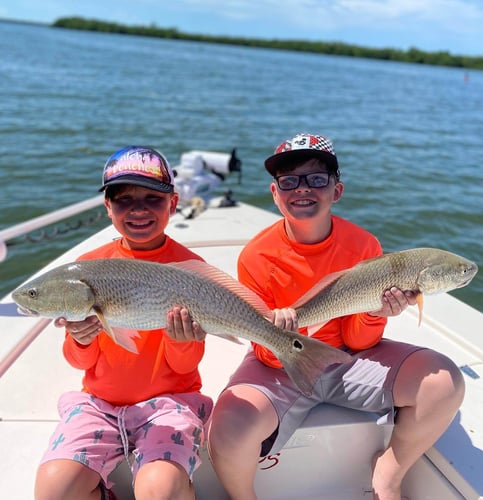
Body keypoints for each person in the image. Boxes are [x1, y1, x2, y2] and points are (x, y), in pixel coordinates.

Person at [206, 133, 465, 500]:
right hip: (280, 365)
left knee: (445, 383)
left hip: (347, 357)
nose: (302, 189)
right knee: (229, 426)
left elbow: (360, 341)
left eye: (316, 178)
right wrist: (278, 334)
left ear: (337, 190)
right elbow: (266, 354)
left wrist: (377, 313)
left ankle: (389, 474)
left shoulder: (364, 246)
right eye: (289, 180)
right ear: (275, 192)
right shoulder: (256, 257)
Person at [34, 146, 212, 500]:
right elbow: (80, 362)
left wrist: (181, 339)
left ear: (173, 204)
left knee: (159, 491)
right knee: (53, 487)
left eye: (152, 199)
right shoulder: (89, 268)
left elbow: (184, 365)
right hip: (100, 403)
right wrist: (81, 339)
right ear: (108, 208)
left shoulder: (191, 269)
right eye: (123, 200)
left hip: (170, 401)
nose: (139, 210)